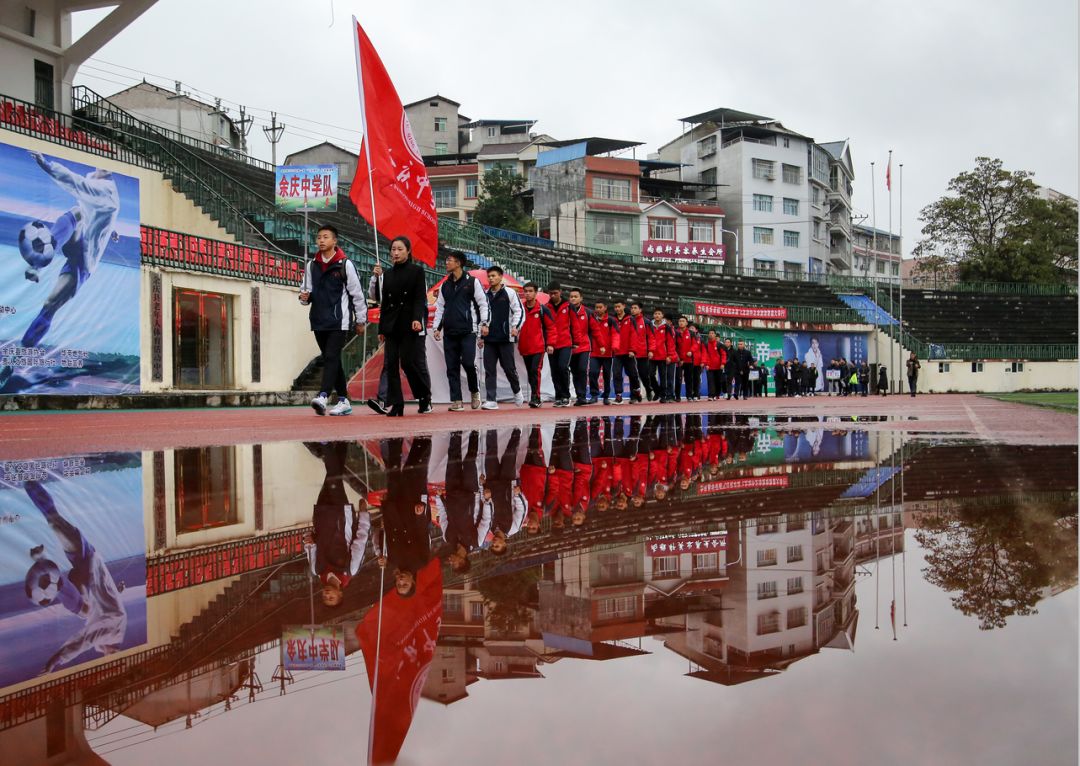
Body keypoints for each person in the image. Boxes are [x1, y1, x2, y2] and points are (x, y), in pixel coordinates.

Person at [1, 152, 122, 391]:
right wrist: (111, 230)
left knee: (50, 304)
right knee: (75, 213)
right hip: (78, 239)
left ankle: (13, 363)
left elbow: (75, 182)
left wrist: (47, 165)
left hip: (84, 261)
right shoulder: (98, 183)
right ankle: (41, 258)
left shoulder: (106, 192)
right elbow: (92, 210)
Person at [23, 481, 127, 673]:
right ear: (115, 655)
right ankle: (29, 482)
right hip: (87, 559)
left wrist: (117, 591)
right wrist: (56, 659)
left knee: (85, 610)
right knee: (55, 523)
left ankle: (51, 571)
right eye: (113, 660)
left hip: (82, 583)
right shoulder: (112, 631)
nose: (107, 659)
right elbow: (84, 640)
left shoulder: (111, 632)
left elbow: (108, 604)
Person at [299, 225, 367, 416]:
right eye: (319, 237)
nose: (321, 240)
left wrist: (360, 320)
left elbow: (357, 295)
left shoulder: (345, 264)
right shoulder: (312, 265)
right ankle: (344, 400)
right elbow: (306, 291)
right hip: (318, 319)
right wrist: (304, 298)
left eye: (326, 237)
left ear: (334, 241)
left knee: (330, 357)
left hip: (339, 321)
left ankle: (323, 395)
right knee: (333, 359)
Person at [304, 441, 370, 607]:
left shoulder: (317, 570)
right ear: (340, 593)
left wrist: (308, 541)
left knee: (333, 475)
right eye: (331, 598)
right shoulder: (350, 569)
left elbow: (310, 547)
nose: (327, 595)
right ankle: (326, 444)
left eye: (325, 598)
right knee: (334, 476)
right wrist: (363, 514)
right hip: (341, 517)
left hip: (322, 516)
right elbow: (361, 540)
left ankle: (342, 442)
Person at [377, 235, 432, 417]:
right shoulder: (387, 275)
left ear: (408, 251)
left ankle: (423, 394)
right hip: (392, 325)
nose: (396, 253)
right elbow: (384, 304)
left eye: (400, 249)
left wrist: (417, 318)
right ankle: (397, 404)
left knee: (408, 362)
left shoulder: (417, 271)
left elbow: (419, 298)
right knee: (391, 364)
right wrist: (381, 329)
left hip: (409, 323)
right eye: (393, 249)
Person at [433, 251, 489, 412]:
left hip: (468, 331)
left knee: (468, 363)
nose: (446, 263)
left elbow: (483, 304)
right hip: (450, 332)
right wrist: (437, 328)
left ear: (458, 263)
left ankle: (474, 391)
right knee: (451, 367)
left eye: (449, 260)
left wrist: (484, 323)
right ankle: (456, 400)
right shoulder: (445, 285)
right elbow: (440, 308)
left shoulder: (472, 282)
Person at [481, 266, 524, 410]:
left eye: (493, 276)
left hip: (506, 338)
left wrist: (515, 327)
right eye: (489, 276)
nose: (491, 278)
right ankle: (491, 399)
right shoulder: (485, 295)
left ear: (501, 277)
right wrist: (481, 336)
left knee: (509, 368)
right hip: (489, 339)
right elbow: (481, 316)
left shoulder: (510, 293)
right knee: (489, 369)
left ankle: (517, 391)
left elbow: (519, 311)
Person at [517, 282, 550, 408]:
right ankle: (534, 396)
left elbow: (550, 328)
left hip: (538, 347)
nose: (528, 294)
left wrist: (550, 344)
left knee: (535, 371)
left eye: (530, 291)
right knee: (530, 373)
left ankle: (536, 397)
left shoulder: (542, 309)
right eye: (526, 291)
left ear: (536, 293)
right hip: (524, 347)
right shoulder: (519, 309)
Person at [544, 283, 573, 407]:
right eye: (551, 293)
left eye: (555, 293)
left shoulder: (569, 306)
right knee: (554, 371)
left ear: (560, 292)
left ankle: (566, 395)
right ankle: (559, 395)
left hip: (565, 342)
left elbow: (575, 325)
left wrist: (576, 342)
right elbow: (544, 327)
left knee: (562, 367)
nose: (553, 295)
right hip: (551, 344)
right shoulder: (546, 307)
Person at [611, 300, 643, 405]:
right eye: (615, 307)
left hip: (629, 352)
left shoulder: (631, 319)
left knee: (633, 374)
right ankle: (618, 396)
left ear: (624, 306)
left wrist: (632, 350)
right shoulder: (612, 319)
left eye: (619, 306)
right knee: (616, 374)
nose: (617, 309)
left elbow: (634, 335)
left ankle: (637, 390)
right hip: (617, 353)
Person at [587, 298, 618, 405]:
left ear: (605, 308)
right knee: (593, 373)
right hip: (594, 352)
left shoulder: (611, 320)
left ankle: (606, 396)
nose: (598, 309)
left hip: (607, 353)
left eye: (600, 307)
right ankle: (594, 395)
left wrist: (614, 346)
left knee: (606, 375)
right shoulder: (591, 319)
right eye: (596, 307)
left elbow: (615, 334)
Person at [566, 289, 592, 406]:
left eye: (576, 296)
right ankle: (579, 396)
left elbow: (594, 330)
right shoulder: (565, 311)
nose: (573, 299)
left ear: (581, 298)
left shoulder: (588, 312)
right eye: (571, 296)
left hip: (584, 346)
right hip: (570, 347)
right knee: (575, 372)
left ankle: (583, 395)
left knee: (582, 369)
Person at [704, 329, 726, 400]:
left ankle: (717, 394)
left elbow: (723, 354)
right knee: (710, 381)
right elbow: (705, 355)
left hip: (718, 367)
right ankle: (711, 395)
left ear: (715, 335)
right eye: (710, 333)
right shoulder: (706, 344)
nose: (711, 334)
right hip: (709, 367)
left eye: (712, 333)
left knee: (718, 381)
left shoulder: (719, 344)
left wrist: (722, 363)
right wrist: (706, 364)